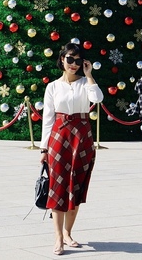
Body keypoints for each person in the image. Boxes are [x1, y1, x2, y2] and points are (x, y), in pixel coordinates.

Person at [39, 43, 103, 256]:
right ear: (62, 59)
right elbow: (47, 119)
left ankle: (68, 233)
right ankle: (58, 237)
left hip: (82, 136)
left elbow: (97, 99)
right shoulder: (53, 87)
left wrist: (90, 75)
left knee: (76, 186)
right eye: (70, 59)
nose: (74, 64)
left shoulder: (86, 83)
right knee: (58, 186)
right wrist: (43, 149)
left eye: (78, 60)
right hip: (59, 135)